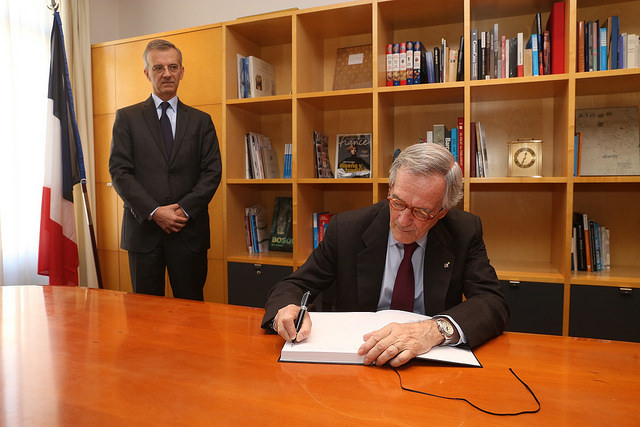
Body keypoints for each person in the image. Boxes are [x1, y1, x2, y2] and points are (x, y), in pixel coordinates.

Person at [262, 142, 508, 367]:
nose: (403, 220)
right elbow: (294, 285)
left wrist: (435, 330)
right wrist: (286, 311)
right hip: (357, 357)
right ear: (390, 189)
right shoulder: (347, 229)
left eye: (421, 212)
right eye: (398, 202)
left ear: (442, 212)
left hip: (427, 359)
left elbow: (492, 302)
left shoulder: (464, 231)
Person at [109, 39, 222, 301]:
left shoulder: (201, 121)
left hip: (189, 232)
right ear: (147, 73)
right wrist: (154, 211)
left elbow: (212, 172)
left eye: (172, 67)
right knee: (145, 314)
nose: (167, 73)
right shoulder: (127, 118)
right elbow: (119, 172)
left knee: (191, 310)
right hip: (143, 233)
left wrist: (183, 209)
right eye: (158, 68)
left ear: (181, 71)